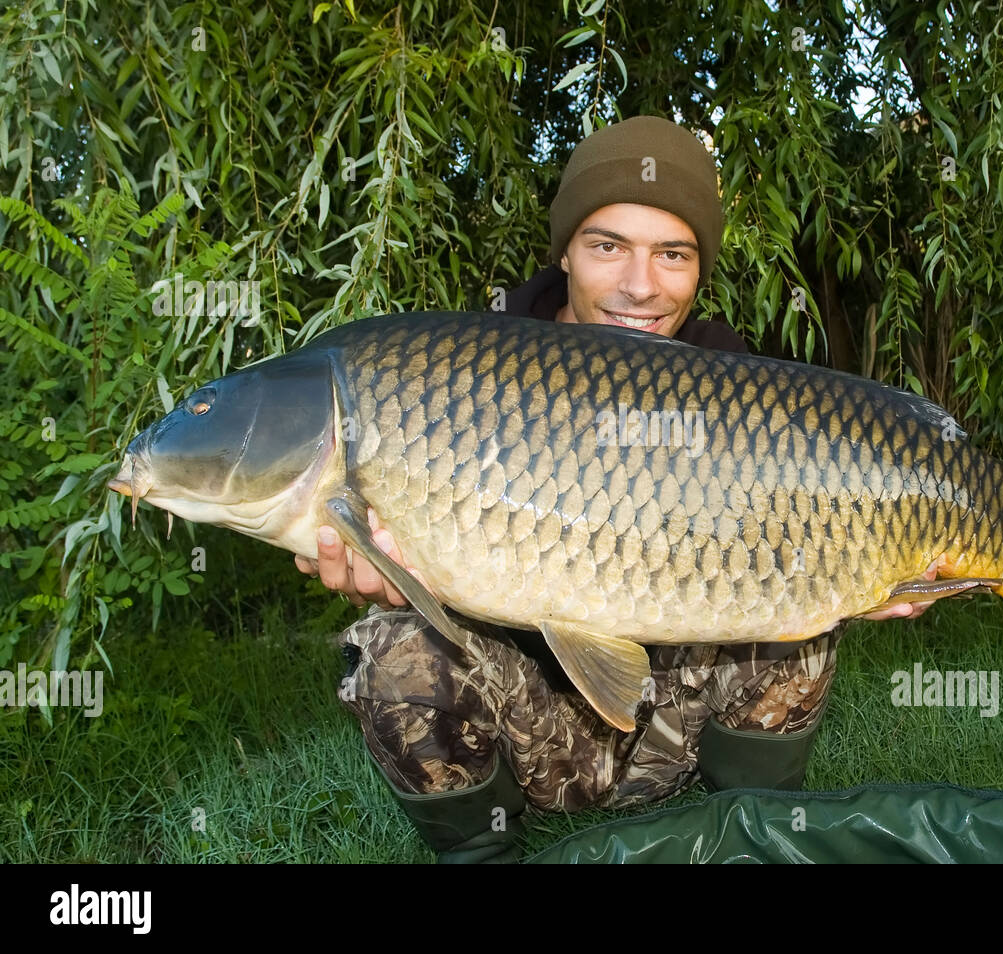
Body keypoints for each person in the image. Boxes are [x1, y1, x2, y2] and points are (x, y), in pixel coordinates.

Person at [296, 116, 937, 862]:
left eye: (673, 254)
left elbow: (823, 517)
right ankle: (485, 849)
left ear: (700, 269)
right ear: (565, 250)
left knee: (801, 618)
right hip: (530, 725)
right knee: (392, 650)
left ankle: (753, 827)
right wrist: (396, 580)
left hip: (677, 723)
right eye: (608, 246)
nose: (641, 285)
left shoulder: (739, 391)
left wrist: (871, 564)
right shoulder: (465, 373)